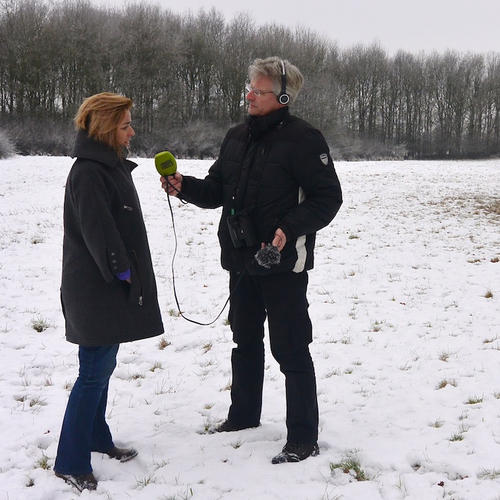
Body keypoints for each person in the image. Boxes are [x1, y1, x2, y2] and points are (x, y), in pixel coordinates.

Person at [161, 57, 342, 464]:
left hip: (282, 263)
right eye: (250, 88)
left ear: (282, 97)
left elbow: (328, 199)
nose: (249, 95)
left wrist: (289, 227)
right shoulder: (235, 136)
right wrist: (183, 186)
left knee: (291, 348)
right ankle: (243, 417)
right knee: (244, 341)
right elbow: (217, 189)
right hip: (240, 261)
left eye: (258, 91)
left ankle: (302, 437)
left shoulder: (305, 139)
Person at [54, 92, 164, 491]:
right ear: (104, 129)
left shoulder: (108, 166)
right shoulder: (88, 173)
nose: (132, 132)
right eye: (125, 125)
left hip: (108, 288)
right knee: (93, 373)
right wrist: (125, 276)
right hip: (96, 289)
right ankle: (69, 461)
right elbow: (101, 235)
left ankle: (97, 438)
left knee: (102, 368)